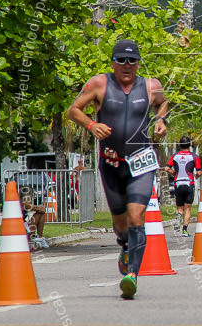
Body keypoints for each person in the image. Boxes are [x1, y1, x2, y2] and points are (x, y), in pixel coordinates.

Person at [67, 39, 168, 300]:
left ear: (138, 63)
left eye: (131, 61)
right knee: (121, 223)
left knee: (137, 218)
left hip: (141, 163)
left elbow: (162, 103)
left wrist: (160, 121)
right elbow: (73, 110)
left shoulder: (150, 85)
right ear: (113, 62)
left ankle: (131, 276)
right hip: (111, 164)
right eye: (121, 60)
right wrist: (91, 125)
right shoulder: (99, 84)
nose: (126, 65)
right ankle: (124, 245)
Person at [166, 136, 201, 238]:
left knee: (180, 207)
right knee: (188, 208)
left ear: (180, 144)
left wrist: (174, 173)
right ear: (190, 144)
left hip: (178, 183)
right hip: (189, 183)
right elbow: (199, 171)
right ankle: (184, 230)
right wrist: (197, 175)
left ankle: (178, 217)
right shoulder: (194, 157)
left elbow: (167, 168)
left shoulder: (175, 156)